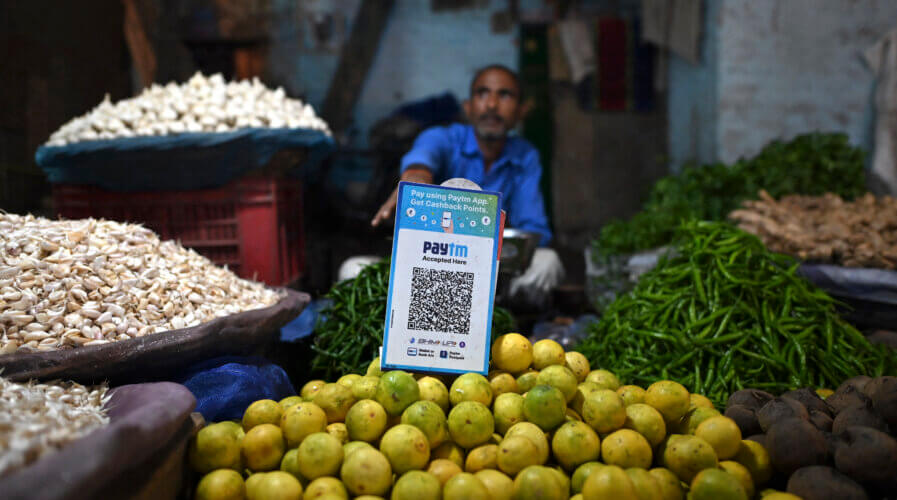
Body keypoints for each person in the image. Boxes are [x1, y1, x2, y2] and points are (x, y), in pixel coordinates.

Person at [363, 64, 562, 306]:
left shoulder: (525, 155)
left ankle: (503, 326)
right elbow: (422, 158)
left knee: (547, 263)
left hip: (496, 269)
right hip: (432, 264)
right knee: (353, 270)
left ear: (521, 111)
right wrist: (415, 179)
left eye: (505, 95)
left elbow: (534, 229)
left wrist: (486, 228)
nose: (491, 105)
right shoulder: (443, 137)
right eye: (482, 93)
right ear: (468, 108)